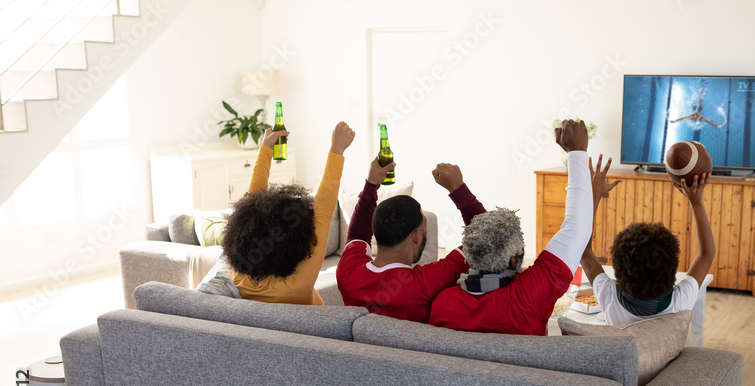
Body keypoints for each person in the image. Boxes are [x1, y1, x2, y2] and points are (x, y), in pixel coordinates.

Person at [429, 119, 594, 336]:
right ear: (514, 260)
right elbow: (576, 228)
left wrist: (576, 152)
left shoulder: (443, 303)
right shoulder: (528, 296)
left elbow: (483, 236)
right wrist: (577, 153)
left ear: (469, 256)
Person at [219, 121, 355, 305]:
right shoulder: (297, 284)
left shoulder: (239, 277)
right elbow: (323, 210)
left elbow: (251, 205)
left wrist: (265, 148)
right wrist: (337, 149)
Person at [335, 159, 486, 322]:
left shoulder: (349, 271)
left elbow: (357, 234)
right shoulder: (427, 282)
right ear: (415, 237)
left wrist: (371, 183)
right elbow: (488, 237)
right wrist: (457, 188)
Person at [579, 171, 715, 325]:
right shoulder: (680, 302)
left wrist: (594, 197)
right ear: (672, 270)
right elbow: (707, 253)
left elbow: (584, 251)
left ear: (618, 272)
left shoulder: (609, 298)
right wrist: (696, 202)